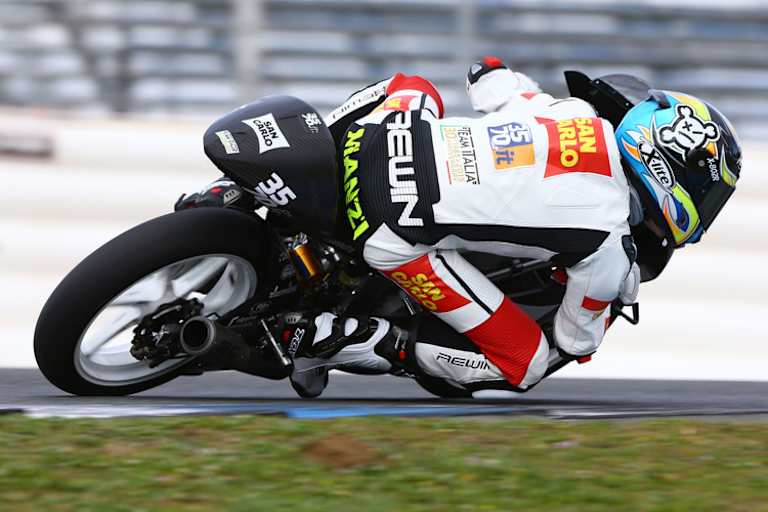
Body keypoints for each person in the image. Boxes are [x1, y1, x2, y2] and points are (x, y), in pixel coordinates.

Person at [194, 57, 742, 398]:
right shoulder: (610, 250)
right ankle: (335, 338)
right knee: (526, 364)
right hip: (391, 234)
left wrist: (490, 70)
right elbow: (574, 338)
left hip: (378, 142)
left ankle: (240, 193)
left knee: (412, 84)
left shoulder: (573, 111)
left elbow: (498, 84)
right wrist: (605, 307)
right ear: (674, 173)